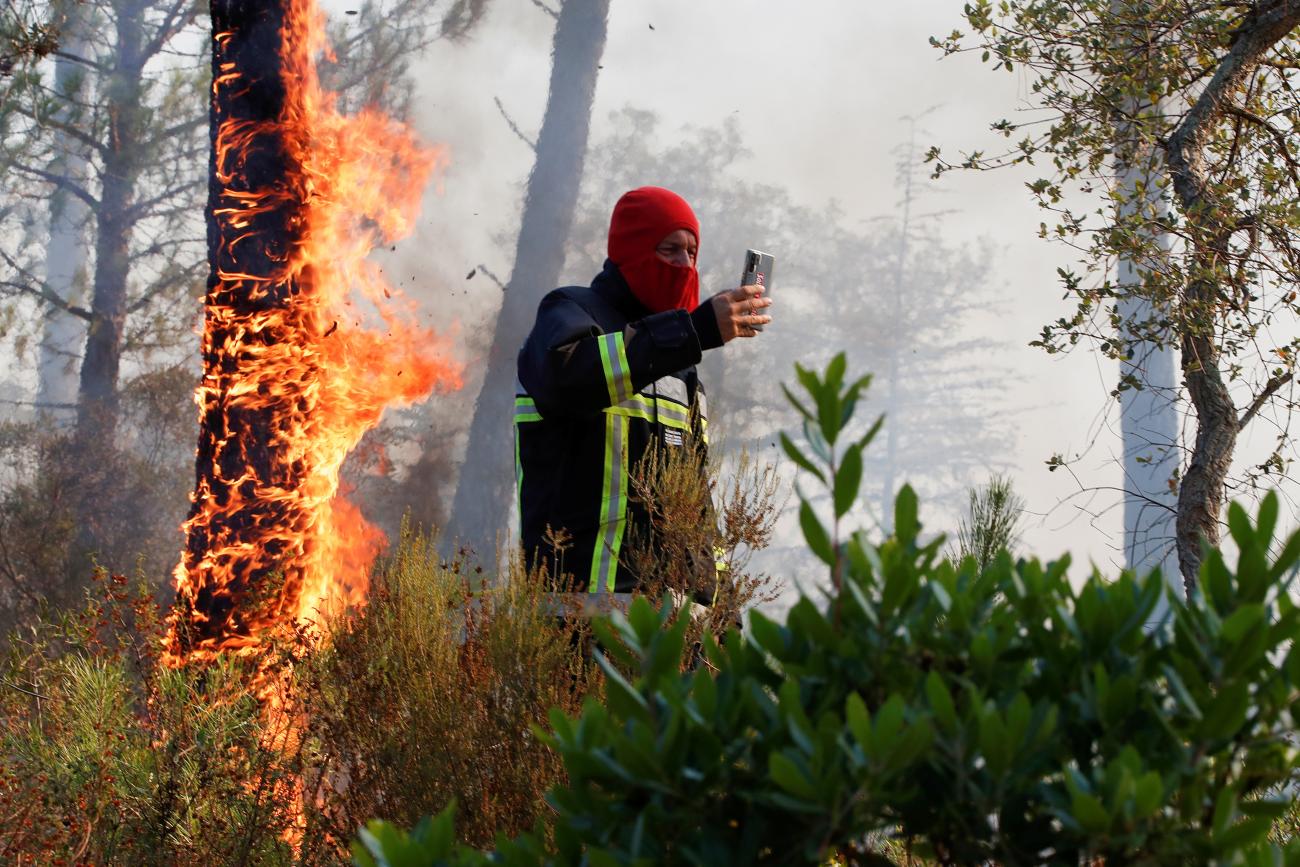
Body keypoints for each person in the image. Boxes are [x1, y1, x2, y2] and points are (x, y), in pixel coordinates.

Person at [514, 186, 772, 602]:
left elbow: (697, 507)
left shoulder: (682, 365)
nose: (684, 264)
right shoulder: (569, 313)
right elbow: (571, 380)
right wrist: (696, 330)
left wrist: (721, 614)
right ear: (632, 250)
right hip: (579, 621)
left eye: (692, 253)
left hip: (675, 632)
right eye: (670, 249)